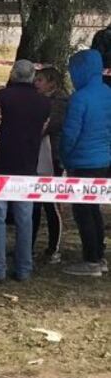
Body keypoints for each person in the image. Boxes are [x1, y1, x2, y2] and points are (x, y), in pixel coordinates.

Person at [0, 60, 50, 283]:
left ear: (12, 74)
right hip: (28, 165)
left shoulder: (1, 98)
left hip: (1, 164)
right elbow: (42, 131)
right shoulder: (44, 103)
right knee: (25, 218)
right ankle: (24, 268)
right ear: (32, 77)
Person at [60, 49, 111, 276]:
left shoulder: (80, 98)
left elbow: (70, 134)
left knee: (83, 211)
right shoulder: (107, 93)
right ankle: (99, 256)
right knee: (95, 209)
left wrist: (64, 156)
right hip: (104, 161)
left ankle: (91, 261)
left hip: (82, 161)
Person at [32, 66, 69, 264]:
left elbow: (47, 126)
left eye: (40, 80)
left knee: (51, 204)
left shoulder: (60, 102)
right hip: (37, 156)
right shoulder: (39, 100)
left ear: (51, 83)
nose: (35, 83)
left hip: (53, 157)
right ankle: (29, 245)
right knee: (34, 203)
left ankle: (54, 248)